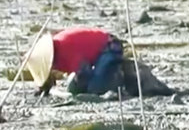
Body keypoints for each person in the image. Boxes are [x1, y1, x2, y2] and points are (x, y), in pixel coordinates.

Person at [26, 27, 174, 97]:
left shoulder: (65, 50)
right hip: (99, 52)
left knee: (94, 87)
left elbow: (84, 71)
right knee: (78, 87)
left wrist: (77, 90)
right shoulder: (58, 46)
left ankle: (121, 91)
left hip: (110, 47)